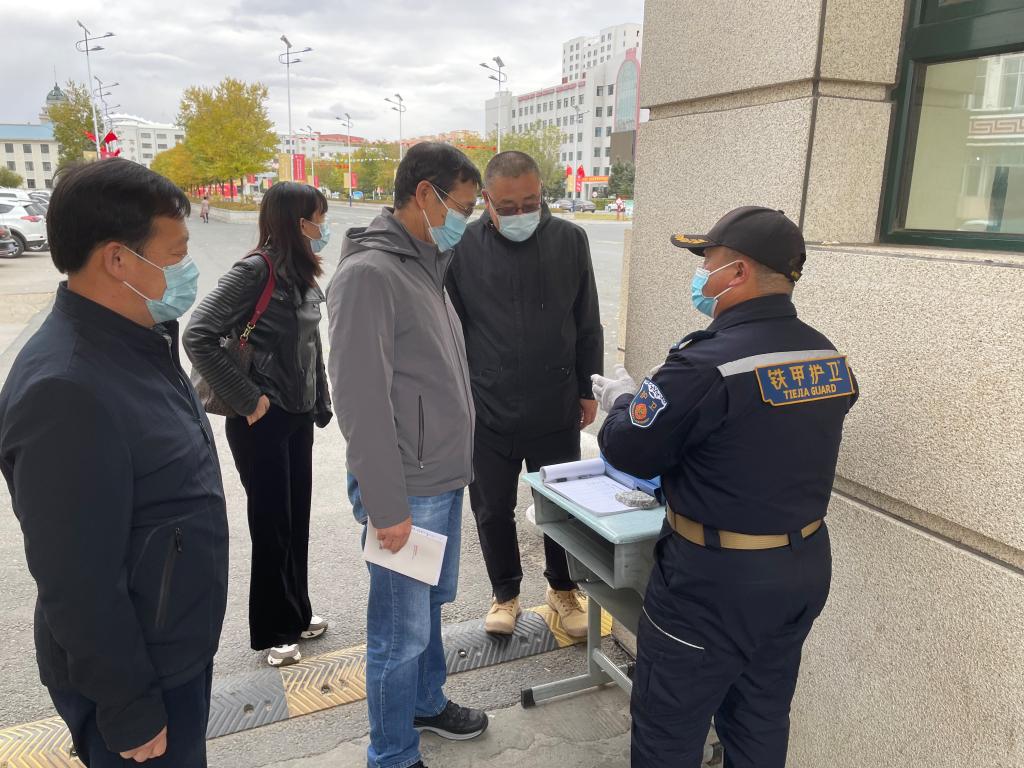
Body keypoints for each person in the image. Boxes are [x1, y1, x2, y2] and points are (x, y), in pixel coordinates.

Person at [592, 207, 858, 767]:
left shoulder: (704, 364)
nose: (700, 276)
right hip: (801, 568)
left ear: (737, 272)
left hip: (712, 584)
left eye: (707, 261)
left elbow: (627, 448)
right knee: (760, 718)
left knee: (668, 731)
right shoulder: (827, 356)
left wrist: (624, 403)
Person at [0, 158, 228, 767]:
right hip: (138, 678)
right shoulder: (66, 389)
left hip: (172, 647)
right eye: (176, 253)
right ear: (118, 260)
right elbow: (76, 579)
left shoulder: (137, 340)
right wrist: (129, 706)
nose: (188, 268)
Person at [326, 142, 488, 768]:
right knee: (399, 632)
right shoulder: (371, 274)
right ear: (425, 194)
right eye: (463, 206)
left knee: (428, 610)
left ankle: (425, 701)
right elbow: (360, 399)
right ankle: (392, 753)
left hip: (438, 478)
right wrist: (387, 506)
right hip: (406, 490)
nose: (466, 219)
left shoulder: (426, 262)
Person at [447, 151, 603, 637]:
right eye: (508, 206)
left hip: (554, 400)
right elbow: (452, 327)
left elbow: (587, 319)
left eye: (531, 202)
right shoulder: (462, 247)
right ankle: (505, 593)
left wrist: (587, 387)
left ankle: (563, 589)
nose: (521, 214)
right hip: (486, 404)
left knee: (561, 504)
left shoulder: (569, 240)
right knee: (492, 507)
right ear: (486, 200)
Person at [184, 182, 333, 668]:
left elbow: (309, 344)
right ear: (295, 221)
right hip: (262, 420)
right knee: (272, 526)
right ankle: (274, 630)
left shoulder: (301, 272)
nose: (323, 226)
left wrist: (320, 398)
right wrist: (250, 399)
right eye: (317, 218)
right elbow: (198, 334)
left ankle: (298, 612)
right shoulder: (255, 270)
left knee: (296, 519)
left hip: (296, 414)